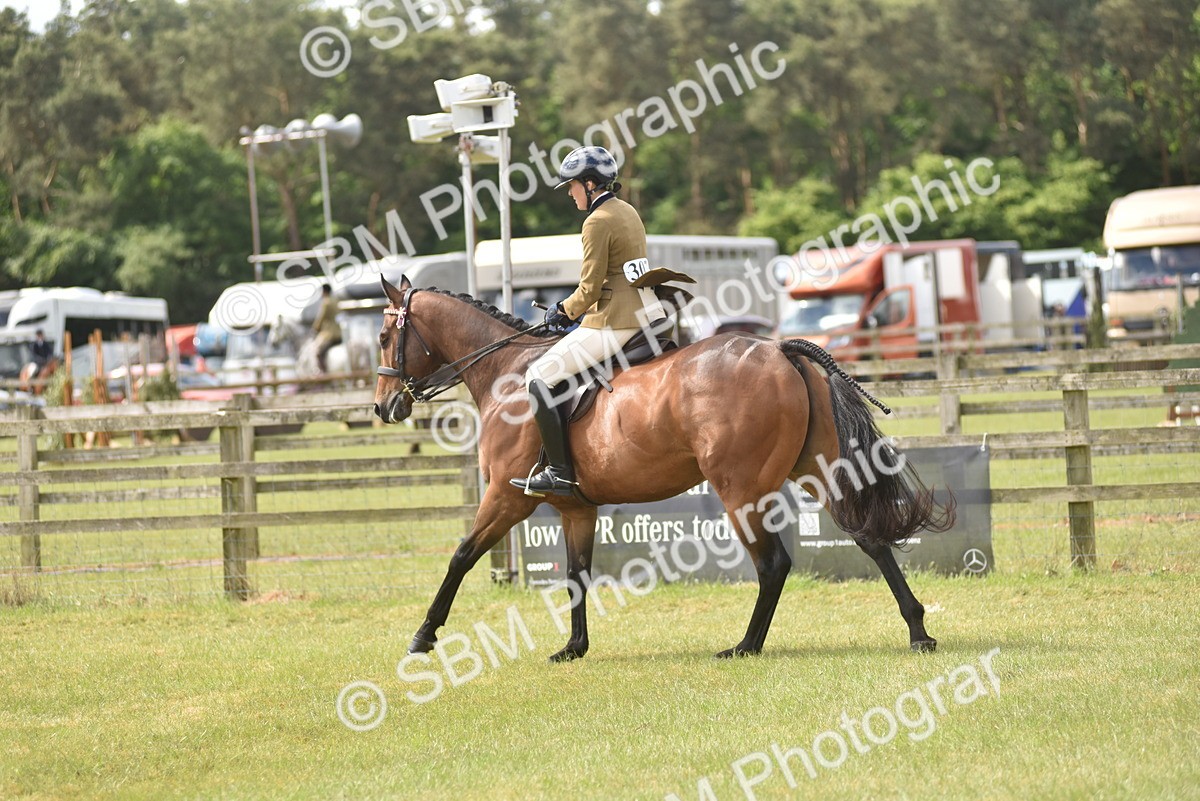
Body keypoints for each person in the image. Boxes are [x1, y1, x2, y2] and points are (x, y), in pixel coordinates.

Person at [510, 145, 667, 497]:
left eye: (572, 185)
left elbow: (590, 288)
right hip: (648, 311)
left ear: (590, 184)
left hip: (616, 320)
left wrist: (561, 310)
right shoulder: (627, 210)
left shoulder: (596, 221)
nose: (570, 193)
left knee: (538, 375)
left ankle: (560, 472)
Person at [311, 284, 342, 373]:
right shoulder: (335, 301)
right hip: (339, 332)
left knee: (317, 351)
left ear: (324, 291)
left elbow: (321, 318)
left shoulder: (326, 302)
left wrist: (315, 328)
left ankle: (322, 371)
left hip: (329, 333)